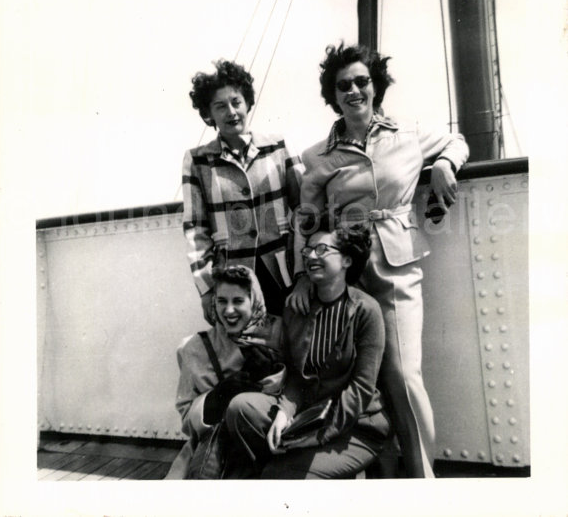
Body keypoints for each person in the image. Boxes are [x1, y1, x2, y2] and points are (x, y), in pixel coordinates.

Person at [287, 42, 469, 478]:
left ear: (376, 86)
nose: (353, 91)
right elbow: (308, 223)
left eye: (361, 81)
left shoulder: (407, 134)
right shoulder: (316, 157)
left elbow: (456, 141)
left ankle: (423, 482)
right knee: (353, 376)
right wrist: (300, 277)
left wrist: (444, 163)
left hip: (395, 266)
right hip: (342, 276)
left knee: (403, 375)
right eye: (342, 85)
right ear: (333, 95)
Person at [224, 217, 393, 479]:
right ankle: (287, 464)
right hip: (307, 417)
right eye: (308, 249)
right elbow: (294, 376)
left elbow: (361, 389)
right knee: (240, 409)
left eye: (322, 249)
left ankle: (293, 468)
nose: (311, 255)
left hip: (355, 427)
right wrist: (284, 413)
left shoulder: (366, 310)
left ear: (347, 260)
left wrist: (317, 436)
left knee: (279, 478)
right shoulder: (297, 308)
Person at [182, 60, 304, 319]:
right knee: (247, 355)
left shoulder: (278, 148)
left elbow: (306, 209)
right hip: (232, 283)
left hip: (285, 274)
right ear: (209, 114)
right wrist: (206, 289)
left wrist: (304, 272)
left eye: (236, 102)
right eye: (220, 106)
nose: (231, 112)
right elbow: (196, 229)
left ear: (248, 103)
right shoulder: (198, 161)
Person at [167, 265, 286, 479]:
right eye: (222, 301)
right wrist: (220, 395)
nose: (229, 310)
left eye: (238, 301)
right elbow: (187, 419)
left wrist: (273, 374)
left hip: (271, 443)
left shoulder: (280, 335)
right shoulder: (195, 348)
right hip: (218, 451)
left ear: (254, 300)